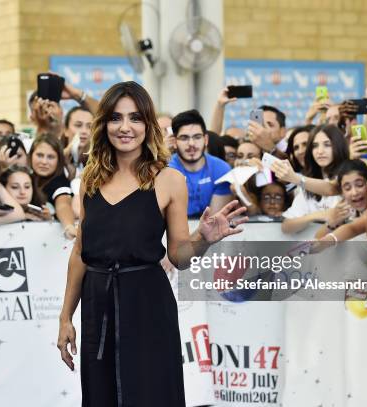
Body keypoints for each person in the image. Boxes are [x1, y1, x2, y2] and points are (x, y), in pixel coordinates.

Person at [56, 81, 248, 407]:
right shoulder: (90, 178)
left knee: (150, 394)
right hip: (96, 305)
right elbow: (80, 253)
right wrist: (65, 319)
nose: (125, 127)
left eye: (135, 118)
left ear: (148, 124)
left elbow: (179, 255)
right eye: (116, 118)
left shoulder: (170, 180)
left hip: (148, 306)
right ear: (105, 124)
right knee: (101, 396)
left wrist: (204, 239)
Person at [281, 124, 348, 234]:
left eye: (327, 144)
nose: (320, 151)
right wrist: (317, 215)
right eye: (315, 146)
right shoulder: (308, 183)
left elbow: (332, 188)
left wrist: (295, 178)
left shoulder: (350, 173)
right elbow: (286, 227)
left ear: (339, 146)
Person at [168, 109, 233, 217]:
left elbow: (213, 222)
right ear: (174, 142)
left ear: (206, 140)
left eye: (197, 137)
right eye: (184, 138)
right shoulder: (164, 170)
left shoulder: (222, 169)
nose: (191, 144)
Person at [28, 133, 76, 238]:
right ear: (31, 155)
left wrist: (69, 226)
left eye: (51, 157)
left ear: (59, 160)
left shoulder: (60, 182)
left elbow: (63, 204)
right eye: (40, 155)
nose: (44, 162)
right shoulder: (25, 178)